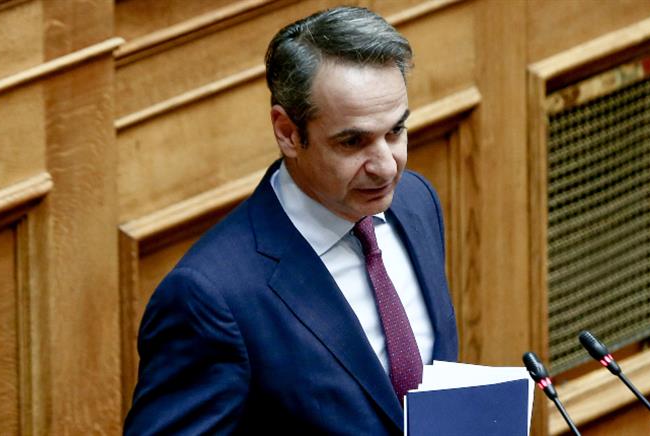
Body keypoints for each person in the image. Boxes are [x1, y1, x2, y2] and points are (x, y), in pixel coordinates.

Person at [124, 6, 458, 435]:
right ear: (287, 132)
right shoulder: (210, 297)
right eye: (352, 142)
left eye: (395, 132)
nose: (386, 167)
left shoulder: (416, 202)